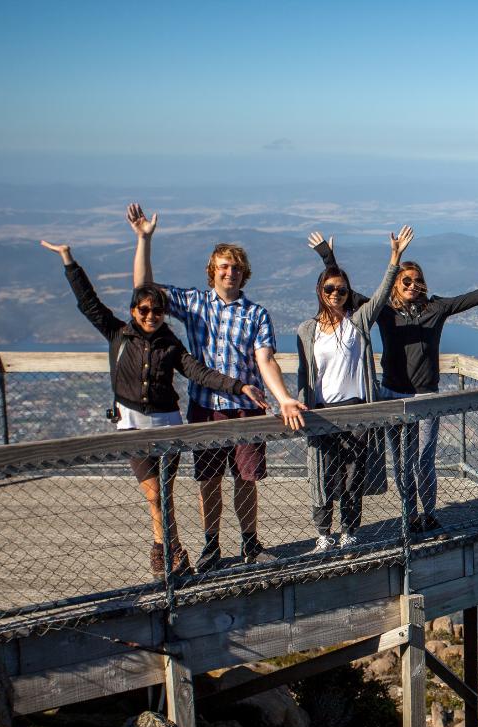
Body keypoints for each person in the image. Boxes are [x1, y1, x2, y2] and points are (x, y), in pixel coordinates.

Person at [40, 240, 267, 578]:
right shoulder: (118, 334)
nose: (150, 316)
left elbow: (197, 371)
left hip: (168, 425)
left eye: (156, 312)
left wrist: (239, 386)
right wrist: (69, 261)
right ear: (133, 311)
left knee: (165, 491)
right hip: (132, 425)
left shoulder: (170, 343)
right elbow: (88, 303)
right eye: (143, 310)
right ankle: (169, 550)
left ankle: (170, 554)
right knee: (155, 493)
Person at [127, 204, 307, 571]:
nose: (230, 272)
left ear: (245, 275)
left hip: (247, 408)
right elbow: (144, 289)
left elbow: (265, 360)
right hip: (205, 405)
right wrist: (144, 240)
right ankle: (212, 545)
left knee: (246, 480)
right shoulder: (194, 304)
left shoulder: (256, 314)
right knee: (208, 480)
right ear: (213, 272)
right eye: (224, 267)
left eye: (236, 268)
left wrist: (284, 398)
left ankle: (250, 544)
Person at [317, 241, 478, 535]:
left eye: (416, 280)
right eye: (405, 280)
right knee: (401, 465)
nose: (412, 285)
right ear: (395, 285)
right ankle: (410, 516)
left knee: (423, 460)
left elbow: (474, 298)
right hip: (393, 396)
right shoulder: (384, 311)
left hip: (426, 398)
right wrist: (328, 257)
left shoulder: (437, 308)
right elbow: (346, 295)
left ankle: (429, 513)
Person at [298, 225, 412, 552]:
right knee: (323, 474)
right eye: (330, 289)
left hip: (357, 409)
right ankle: (323, 534)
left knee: (352, 474)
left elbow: (380, 295)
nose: (336, 294)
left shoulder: (357, 323)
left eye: (343, 291)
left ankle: (349, 530)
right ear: (321, 291)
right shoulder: (307, 330)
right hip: (322, 413)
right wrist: (301, 405)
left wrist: (395, 257)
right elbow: (305, 374)